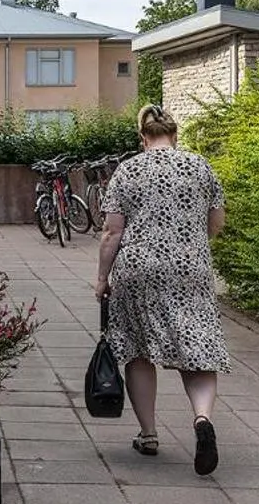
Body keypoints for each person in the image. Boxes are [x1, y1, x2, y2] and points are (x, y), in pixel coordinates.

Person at [93, 104, 230, 475]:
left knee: (138, 350)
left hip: (138, 270)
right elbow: (216, 222)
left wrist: (102, 278)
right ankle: (202, 421)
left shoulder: (128, 169)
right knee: (196, 348)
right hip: (191, 270)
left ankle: (149, 433)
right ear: (175, 134)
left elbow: (112, 232)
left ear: (143, 138)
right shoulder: (200, 166)